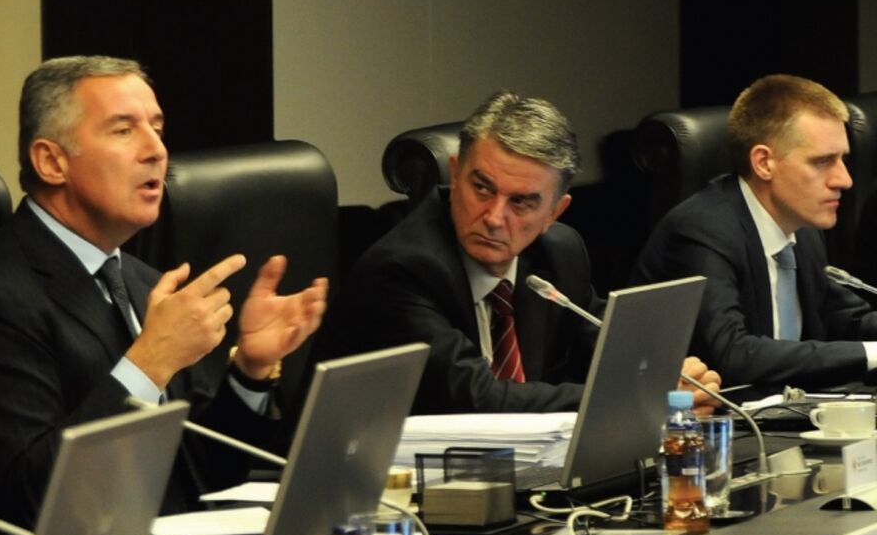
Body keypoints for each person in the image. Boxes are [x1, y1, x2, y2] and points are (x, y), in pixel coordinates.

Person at [0, 56, 328, 525]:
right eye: (123, 130)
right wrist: (150, 362)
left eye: (157, 128)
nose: (156, 150)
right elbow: (31, 497)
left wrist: (250, 373)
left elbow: (201, 474)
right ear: (52, 162)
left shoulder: (143, 282)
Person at [314, 90, 720, 414]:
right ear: (455, 175)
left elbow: (609, 348)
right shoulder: (403, 268)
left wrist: (671, 375)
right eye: (482, 188)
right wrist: (643, 393)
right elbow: (478, 398)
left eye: (521, 202)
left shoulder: (558, 254)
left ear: (554, 213)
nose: (494, 217)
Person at [634, 74, 877, 389]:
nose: (844, 180)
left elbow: (846, 318)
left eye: (843, 159)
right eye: (823, 162)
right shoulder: (702, 231)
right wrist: (872, 353)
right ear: (764, 163)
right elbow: (731, 354)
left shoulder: (801, 229)